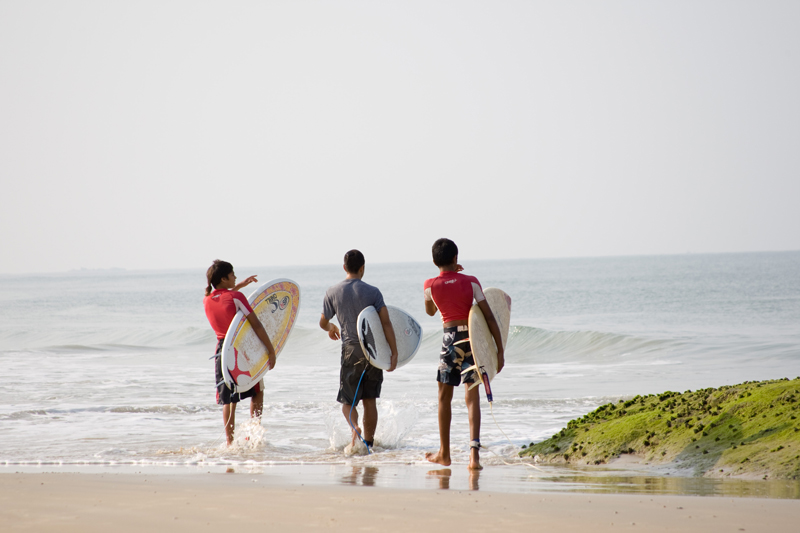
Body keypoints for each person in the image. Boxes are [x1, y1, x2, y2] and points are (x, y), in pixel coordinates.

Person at [423, 238, 505, 470]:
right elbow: (489, 317)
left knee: (443, 398)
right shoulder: (471, 281)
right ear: (456, 258)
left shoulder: (429, 284)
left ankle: (444, 454)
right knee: (472, 398)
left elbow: (430, 311)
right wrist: (499, 351)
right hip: (473, 340)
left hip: (450, 341)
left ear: (433, 261)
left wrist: (443, 281)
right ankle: (473, 458)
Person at [319, 249, 399, 451]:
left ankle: (355, 430)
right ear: (362, 268)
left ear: (344, 267)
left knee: (348, 400)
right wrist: (394, 351)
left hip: (350, 350)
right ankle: (369, 444)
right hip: (372, 351)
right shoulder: (373, 292)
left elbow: (323, 322)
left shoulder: (332, 292)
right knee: (369, 399)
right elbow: (386, 323)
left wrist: (332, 328)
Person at [203, 259, 276, 446]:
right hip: (241, 350)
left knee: (229, 400)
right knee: (257, 391)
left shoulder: (207, 300)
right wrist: (271, 350)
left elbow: (224, 299)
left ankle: (229, 442)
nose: (235, 276)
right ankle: (253, 434)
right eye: (232, 274)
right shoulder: (238, 298)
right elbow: (257, 325)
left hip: (221, 351)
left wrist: (239, 285)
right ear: (224, 278)